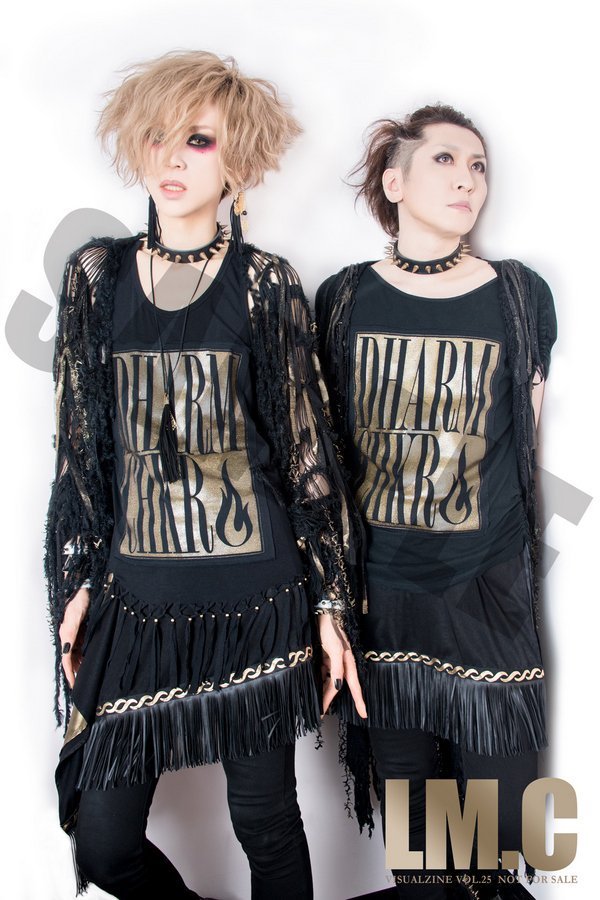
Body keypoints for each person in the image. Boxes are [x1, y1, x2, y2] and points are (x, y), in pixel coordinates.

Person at [45, 50, 365, 900]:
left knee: (265, 821)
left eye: (199, 139)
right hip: (137, 605)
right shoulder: (95, 276)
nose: (173, 158)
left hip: (253, 601)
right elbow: (80, 449)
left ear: (237, 161)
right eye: (158, 136)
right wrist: (79, 579)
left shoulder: (264, 284)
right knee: (104, 839)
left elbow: (306, 457)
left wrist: (329, 603)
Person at [315, 105, 557, 899]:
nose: (467, 179)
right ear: (395, 182)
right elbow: (324, 454)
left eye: (478, 165)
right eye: (446, 160)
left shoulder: (517, 295)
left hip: (486, 596)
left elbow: (525, 445)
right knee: (420, 862)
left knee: (497, 836)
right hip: (384, 604)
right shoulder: (343, 298)